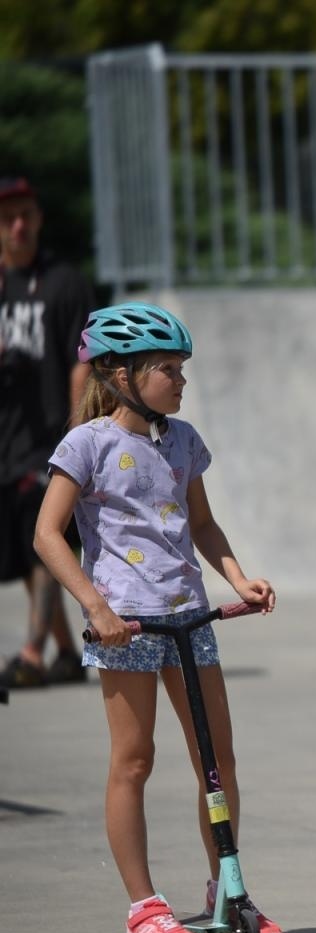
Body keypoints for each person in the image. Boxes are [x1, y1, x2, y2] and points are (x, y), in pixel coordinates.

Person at [32, 301, 282, 933]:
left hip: (189, 618)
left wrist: (238, 578)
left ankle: (226, 888)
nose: (180, 380)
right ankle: (143, 909)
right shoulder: (86, 445)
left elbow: (200, 523)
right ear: (118, 373)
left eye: (181, 368)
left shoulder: (182, 440)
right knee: (134, 761)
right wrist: (95, 608)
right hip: (126, 627)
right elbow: (47, 536)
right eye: (167, 369)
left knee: (217, 761)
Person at [1, 176, 94, 688]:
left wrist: (75, 434)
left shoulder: (64, 282)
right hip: (6, 439)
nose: (18, 226)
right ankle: (65, 650)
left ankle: (33, 653)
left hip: (49, 437)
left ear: (38, 219)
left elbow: (81, 361)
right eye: (7, 217)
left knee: (48, 536)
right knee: (23, 545)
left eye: (26, 215)